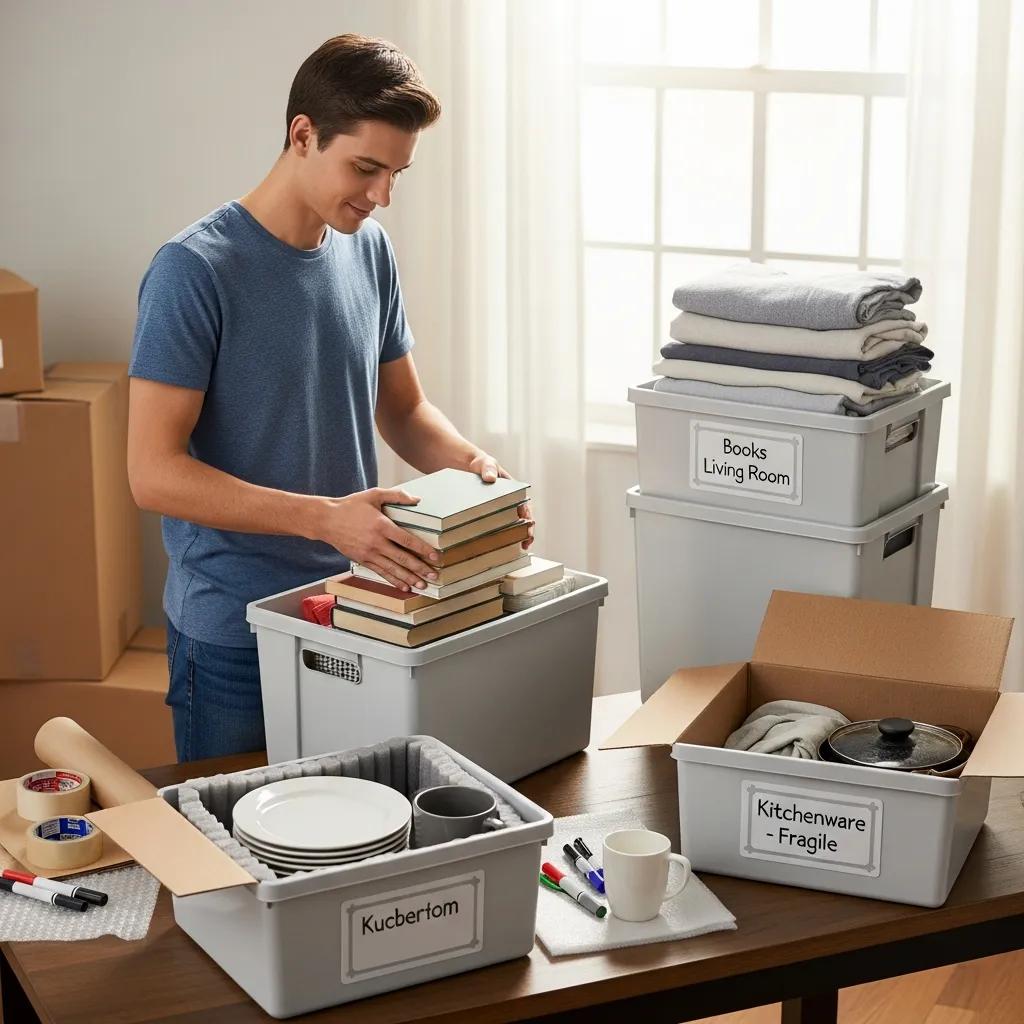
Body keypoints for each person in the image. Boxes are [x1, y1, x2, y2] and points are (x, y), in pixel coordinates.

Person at [126, 34, 533, 763]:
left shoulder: (367, 249)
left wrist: (479, 476)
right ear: (303, 135)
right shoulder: (193, 271)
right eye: (366, 168)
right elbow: (152, 474)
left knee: (362, 820)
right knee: (234, 831)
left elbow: (403, 410)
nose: (381, 196)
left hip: (354, 608)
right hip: (234, 635)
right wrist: (327, 520)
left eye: (396, 173)